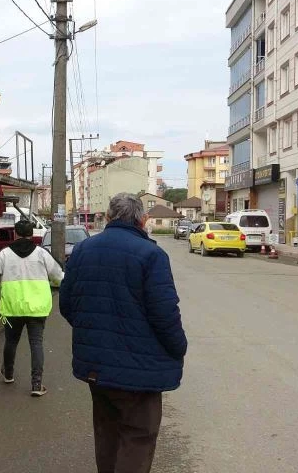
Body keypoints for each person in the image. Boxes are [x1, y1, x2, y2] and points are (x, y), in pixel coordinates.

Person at [60, 193, 187, 473]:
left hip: (96, 367)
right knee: (138, 436)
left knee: (107, 433)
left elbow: (67, 305)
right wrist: (179, 348)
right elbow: (165, 315)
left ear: (107, 217)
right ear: (143, 220)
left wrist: (95, 335)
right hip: (138, 373)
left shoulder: (83, 250)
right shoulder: (152, 255)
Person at [0, 219, 64, 397]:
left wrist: (0, 293)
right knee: (36, 343)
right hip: (37, 309)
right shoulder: (42, 254)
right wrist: (51, 284)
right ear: (32, 234)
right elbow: (59, 277)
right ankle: (36, 384)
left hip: (11, 308)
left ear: (15, 233)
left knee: (11, 341)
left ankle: (8, 374)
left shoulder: (4, 255)